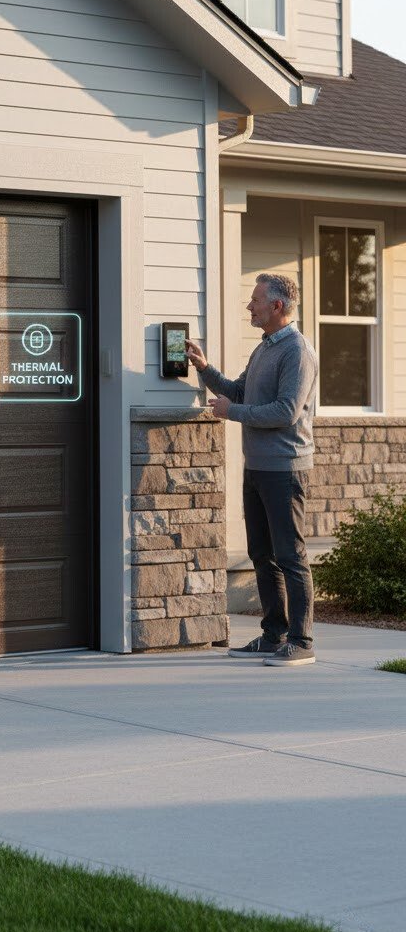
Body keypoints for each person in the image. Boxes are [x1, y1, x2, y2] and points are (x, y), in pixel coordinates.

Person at [185, 273, 319, 667]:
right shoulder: (264, 348)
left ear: (277, 306)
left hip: (285, 469)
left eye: (256, 300)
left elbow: (285, 412)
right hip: (257, 467)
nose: (250, 306)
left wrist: (233, 413)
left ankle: (302, 641)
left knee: (290, 555)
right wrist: (205, 368)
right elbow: (239, 391)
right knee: (262, 554)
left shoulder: (297, 351)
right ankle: (274, 634)